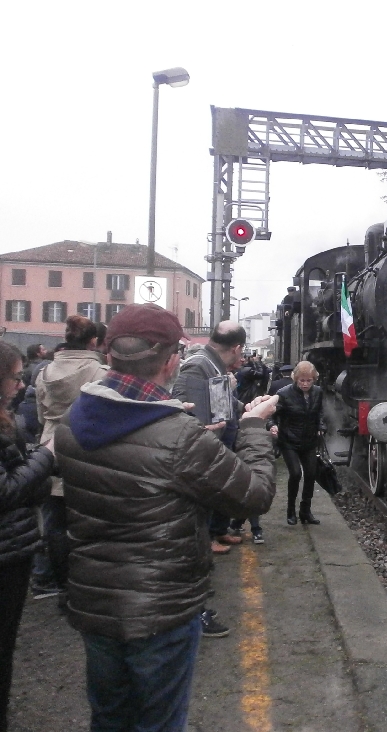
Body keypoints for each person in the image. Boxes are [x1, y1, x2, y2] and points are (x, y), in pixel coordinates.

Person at [54, 304, 277, 732]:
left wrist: (193, 443)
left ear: (109, 356)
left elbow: (131, 469)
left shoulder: (70, 424)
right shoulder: (179, 436)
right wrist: (251, 426)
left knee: (109, 717)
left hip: (95, 603)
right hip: (160, 610)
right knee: (159, 721)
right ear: (172, 361)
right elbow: (254, 496)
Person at [31, 316, 107, 600]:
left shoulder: (45, 372)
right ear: (93, 342)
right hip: (86, 448)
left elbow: (40, 414)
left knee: (53, 521)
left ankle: (56, 582)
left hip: (50, 445)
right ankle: (81, 583)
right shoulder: (100, 372)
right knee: (88, 522)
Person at [0, 341, 55, 732]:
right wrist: (45, 456)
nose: (21, 385)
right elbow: (6, 490)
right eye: (16, 377)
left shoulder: (9, 417)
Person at [172, 323, 251, 554]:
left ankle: (217, 530)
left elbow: (219, 400)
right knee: (205, 493)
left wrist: (243, 406)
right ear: (236, 348)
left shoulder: (213, 364)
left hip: (219, 440)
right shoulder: (198, 366)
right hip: (204, 444)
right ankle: (204, 538)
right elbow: (186, 405)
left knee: (219, 489)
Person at [272, 361, 325, 525]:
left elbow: (320, 412)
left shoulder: (317, 392)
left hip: (309, 440)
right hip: (289, 440)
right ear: (296, 379)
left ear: (313, 380)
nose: (305, 384)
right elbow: (273, 413)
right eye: (302, 380)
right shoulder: (284, 393)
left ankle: (305, 511)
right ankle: (290, 510)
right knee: (295, 473)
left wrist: (322, 426)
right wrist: (272, 425)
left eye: (309, 381)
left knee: (310, 474)